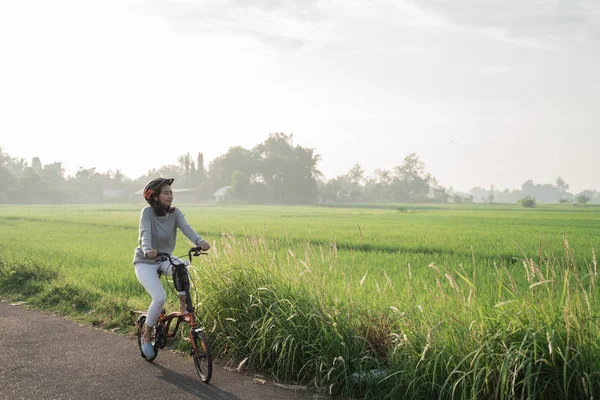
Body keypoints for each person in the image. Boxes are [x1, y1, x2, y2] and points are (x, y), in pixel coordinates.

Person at [133, 177, 210, 358]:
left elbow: (187, 229)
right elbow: (144, 233)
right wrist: (147, 249)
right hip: (145, 262)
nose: (170, 196)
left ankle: (183, 309)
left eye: (171, 192)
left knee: (183, 267)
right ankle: (146, 335)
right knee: (159, 298)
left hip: (164, 258)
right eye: (166, 193)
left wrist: (200, 241)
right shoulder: (147, 213)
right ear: (155, 197)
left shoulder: (175, 213)